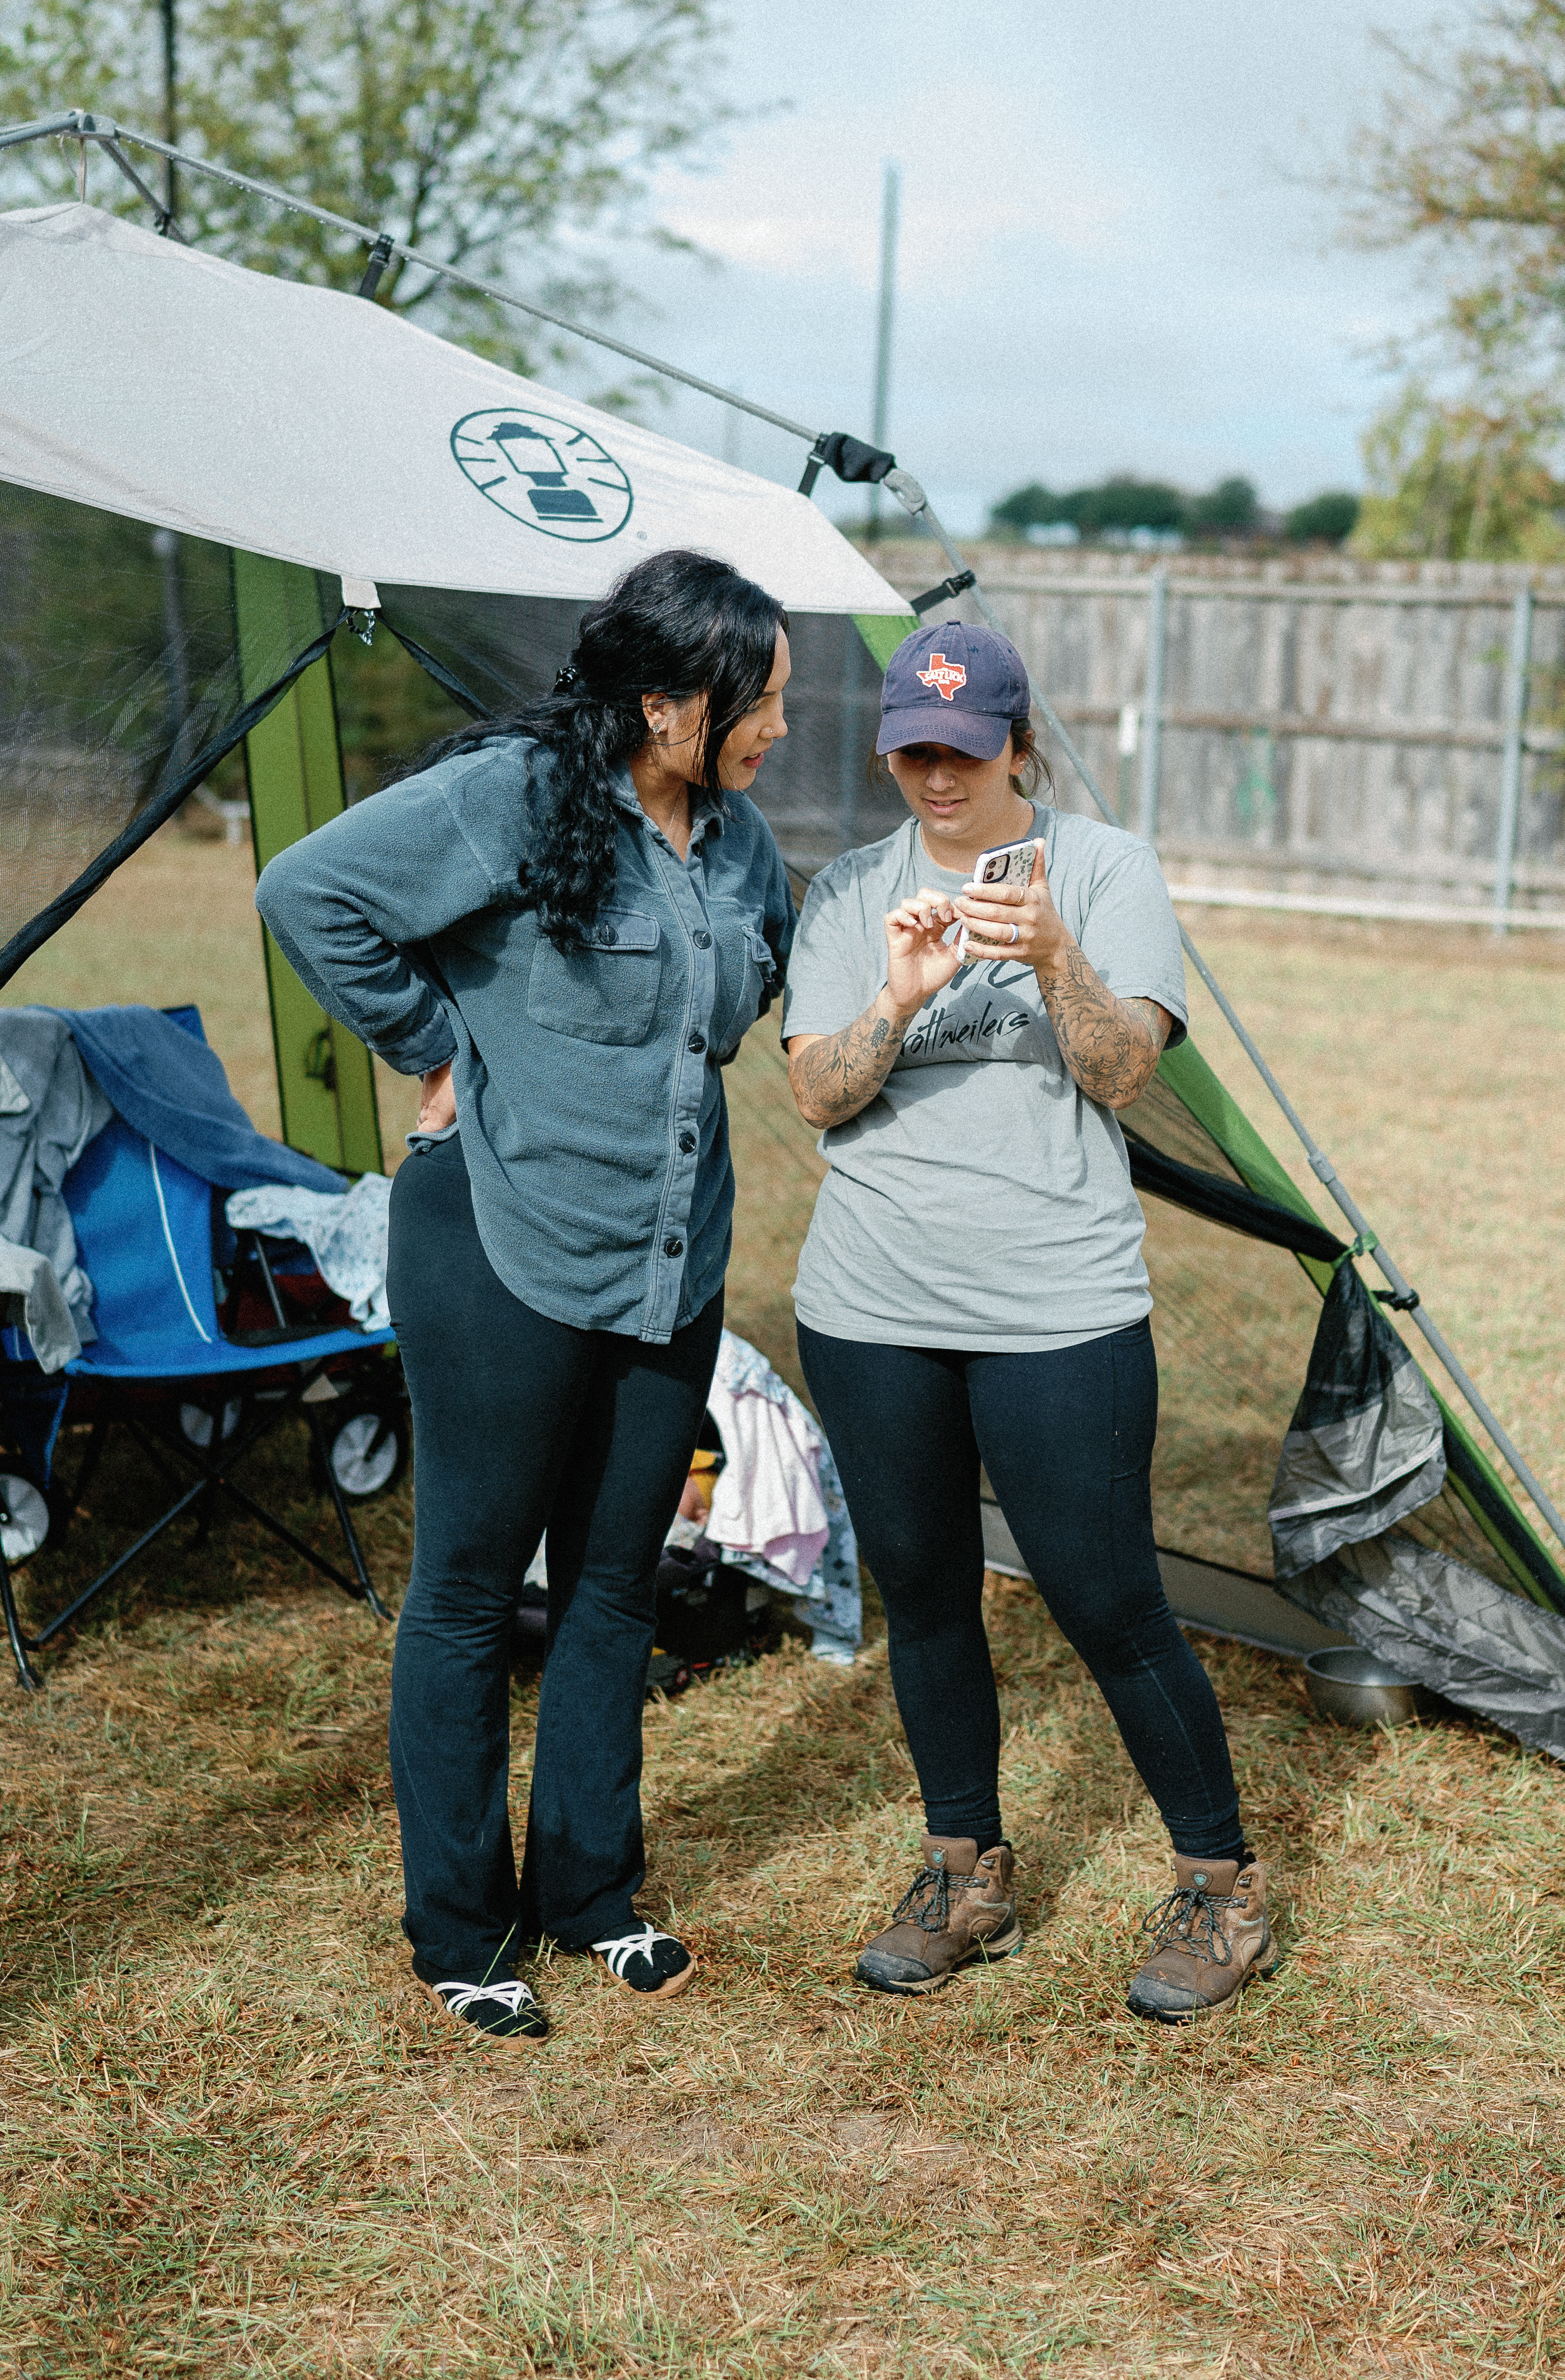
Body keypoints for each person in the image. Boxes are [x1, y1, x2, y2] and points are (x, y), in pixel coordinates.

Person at [256, 550, 794, 2046]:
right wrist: (437, 1045)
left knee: (614, 1586)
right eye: (761, 701)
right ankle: (460, 1932)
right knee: (471, 1592)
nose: (780, 729)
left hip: (668, 1261)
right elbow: (309, 893)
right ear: (668, 703)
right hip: (499, 1245)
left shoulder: (743, 842)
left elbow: (761, 989)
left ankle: (590, 1894)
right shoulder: (514, 795)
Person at [782, 618, 1274, 2023]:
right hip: (872, 1301)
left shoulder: (1106, 871)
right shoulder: (852, 891)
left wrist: (1054, 954)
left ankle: (1223, 1888)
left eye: (964, 749)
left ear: (1018, 744)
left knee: (1108, 1599)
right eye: (912, 754)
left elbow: (1123, 1074)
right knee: (927, 1591)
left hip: (1058, 1303)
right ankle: (966, 1874)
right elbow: (818, 1093)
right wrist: (899, 995)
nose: (939, 778)